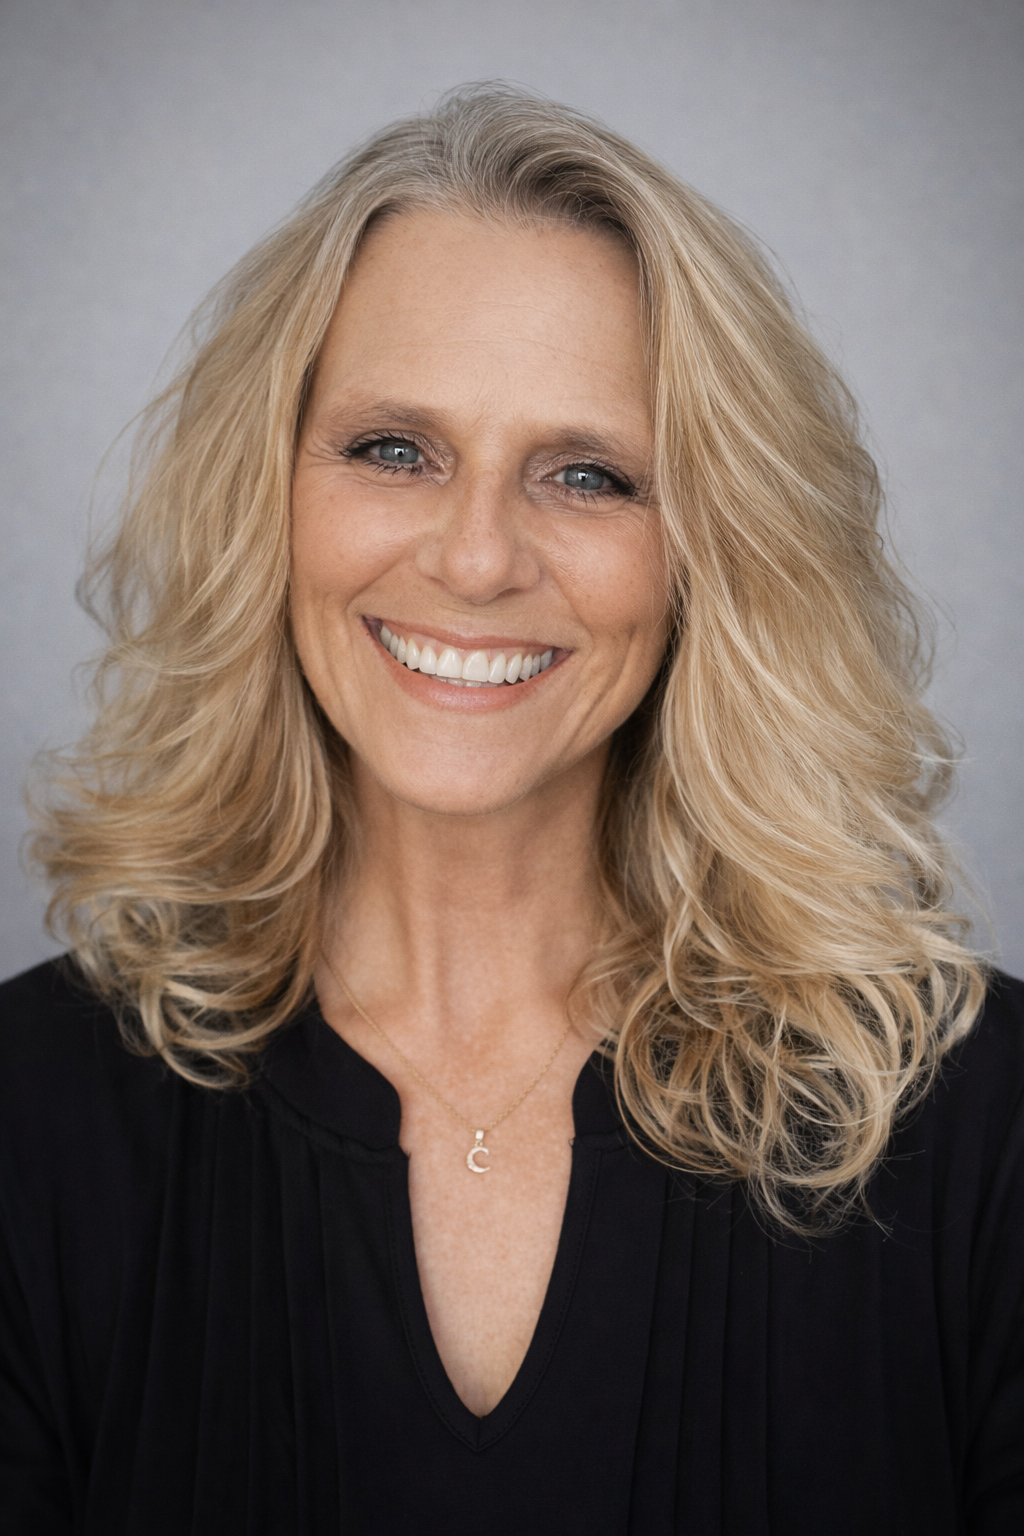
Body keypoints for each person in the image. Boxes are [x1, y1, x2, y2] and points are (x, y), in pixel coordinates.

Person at [1, 84, 1021, 1535]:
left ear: (709, 561)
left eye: (588, 476)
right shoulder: (31, 1126)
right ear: (266, 498)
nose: (477, 559)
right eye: (393, 450)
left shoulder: (986, 1135)